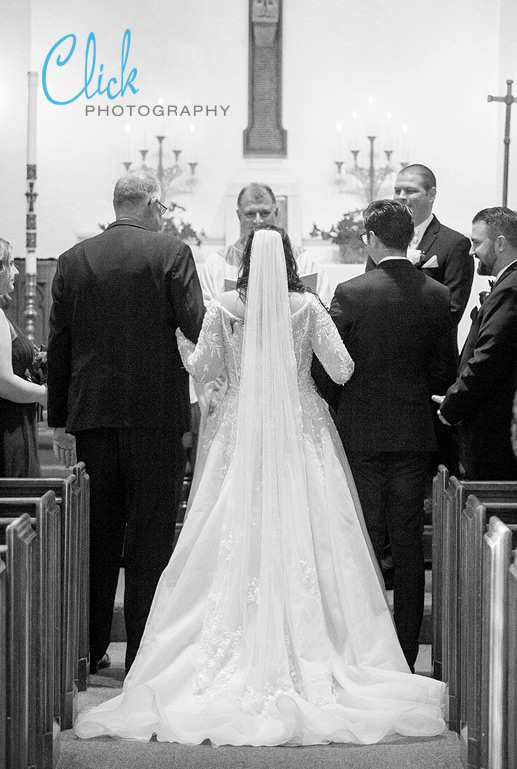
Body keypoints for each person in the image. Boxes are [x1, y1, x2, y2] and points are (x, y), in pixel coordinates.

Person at [75, 225, 446, 746]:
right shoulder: (310, 306)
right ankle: (326, 654)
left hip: (240, 431)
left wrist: (186, 346)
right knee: (316, 534)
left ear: (245, 259)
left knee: (227, 530)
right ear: (291, 259)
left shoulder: (224, 306)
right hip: (301, 430)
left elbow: (204, 367)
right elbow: (341, 369)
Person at [47, 171, 205, 675]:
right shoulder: (171, 253)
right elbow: (196, 325)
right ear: (154, 206)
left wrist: (59, 420)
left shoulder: (74, 260)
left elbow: (60, 345)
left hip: (92, 416)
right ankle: (143, 650)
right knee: (151, 534)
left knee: (97, 533)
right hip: (156, 416)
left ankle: (90, 648)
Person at [330, 200, 457, 671]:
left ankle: (363, 647)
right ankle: (403, 652)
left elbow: (333, 367)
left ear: (372, 238)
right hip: (412, 433)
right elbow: (444, 370)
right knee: (406, 545)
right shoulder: (437, 294)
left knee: (361, 538)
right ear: (409, 238)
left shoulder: (351, 291)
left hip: (360, 432)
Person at [435, 207, 517, 481]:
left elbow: (488, 356)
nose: (472, 252)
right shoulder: (507, 284)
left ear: (501, 243)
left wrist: (453, 404)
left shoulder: (510, 290)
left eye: (477, 243)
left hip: (495, 428)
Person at [366, 164, 473, 327]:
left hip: (431, 346)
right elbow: (369, 290)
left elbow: (452, 309)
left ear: (431, 195)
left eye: (410, 191)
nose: (401, 197)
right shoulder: (380, 238)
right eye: (397, 191)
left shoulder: (455, 244)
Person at [201, 182, 331, 305]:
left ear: (276, 213)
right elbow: (207, 311)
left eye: (265, 213)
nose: (258, 221)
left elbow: (323, 307)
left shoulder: (304, 260)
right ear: (239, 215)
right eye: (250, 214)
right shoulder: (217, 263)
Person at [0, 238, 47, 476]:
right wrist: (48, 396)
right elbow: (4, 382)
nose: (15, 271)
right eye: (9, 264)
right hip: (8, 428)